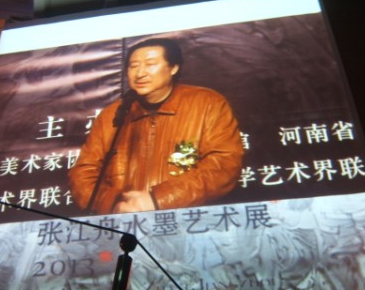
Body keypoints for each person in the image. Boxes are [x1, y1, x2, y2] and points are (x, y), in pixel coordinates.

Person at [68, 37, 244, 214]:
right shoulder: (112, 115)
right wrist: (113, 203)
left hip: (188, 219)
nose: (140, 73)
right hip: (124, 219)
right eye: (133, 66)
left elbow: (224, 164)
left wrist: (157, 200)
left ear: (173, 68)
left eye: (150, 64)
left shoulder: (208, 103)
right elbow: (83, 173)